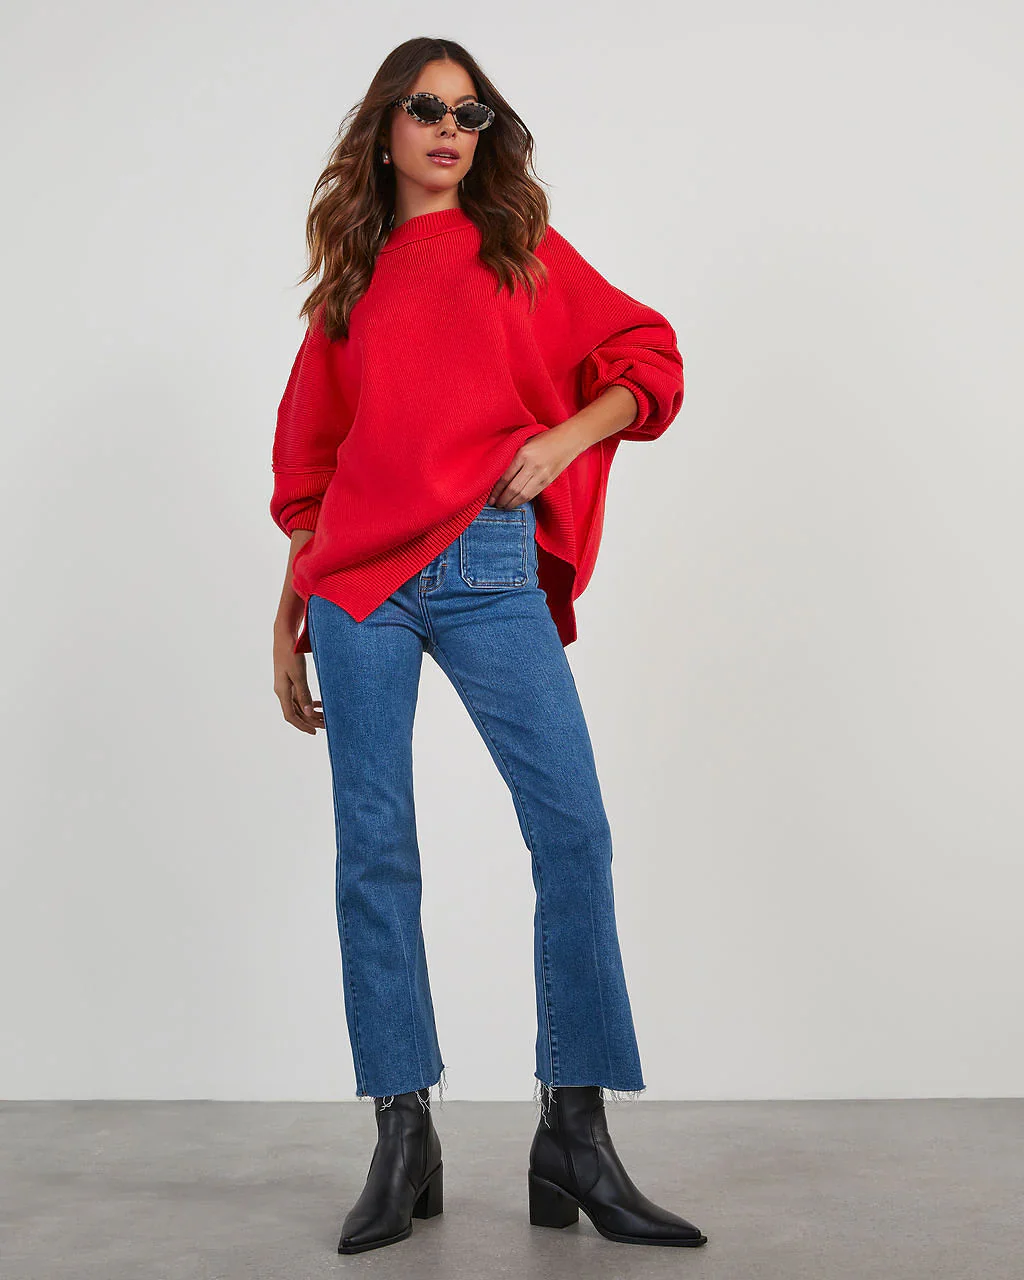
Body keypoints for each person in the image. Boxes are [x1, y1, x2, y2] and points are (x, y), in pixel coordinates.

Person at [269, 36, 708, 1256]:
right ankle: (401, 1130)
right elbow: (311, 471)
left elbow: (647, 358)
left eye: (470, 113)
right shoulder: (351, 288)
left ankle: (574, 1128)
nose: (449, 130)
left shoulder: (521, 250)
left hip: (487, 566)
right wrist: (285, 611)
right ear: (385, 129)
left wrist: (561, 441)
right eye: (426, 109)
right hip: (357, 587)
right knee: (375, 850)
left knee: (572, 831)